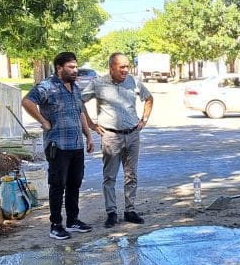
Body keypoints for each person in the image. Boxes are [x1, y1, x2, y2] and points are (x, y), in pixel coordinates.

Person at [22, 52, 96, 240]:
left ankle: (73, 220)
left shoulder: (75, 88)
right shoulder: (47, 86)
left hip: (76, 145)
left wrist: (88, 136)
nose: (75, 70)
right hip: (58, 145)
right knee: (57, 185)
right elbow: (27, 101)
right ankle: (56, 225)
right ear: (59, 68)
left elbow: (80, 113)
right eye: (71, 67)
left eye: (76, 66)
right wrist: (43, 121)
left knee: (74, 183)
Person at [80, 52, 153, 227]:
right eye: (122, 67)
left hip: (133, 134)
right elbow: (79, 101)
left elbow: (149, 98)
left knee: (131, 175)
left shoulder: (133, 82)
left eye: (127, 66)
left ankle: (130, 210)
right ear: (111, 67)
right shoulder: (98, 84)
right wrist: (91, 124)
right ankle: (111, 212)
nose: (126, 70)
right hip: (111, 136)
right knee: (110, 177)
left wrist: (143, 120)